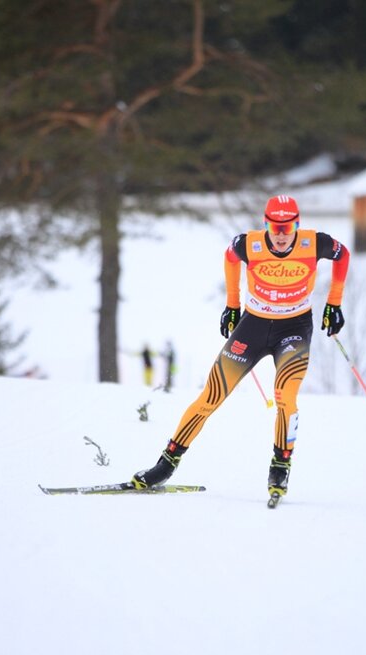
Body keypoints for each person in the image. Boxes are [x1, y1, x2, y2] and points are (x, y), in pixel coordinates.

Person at [131, 194, 350, 504]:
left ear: (297, 225)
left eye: (288, 228)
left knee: (285, 395)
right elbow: (230, 258)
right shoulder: (249, 244)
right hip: (253, 326)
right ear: (266, 225)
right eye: (275, 228)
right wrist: (232, 305)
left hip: (294, 329)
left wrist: (334, 303)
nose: (281, 235)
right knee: (211, 396)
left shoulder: (315, 243)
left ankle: (280, 466)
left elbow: (343, 255)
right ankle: (166, 464)